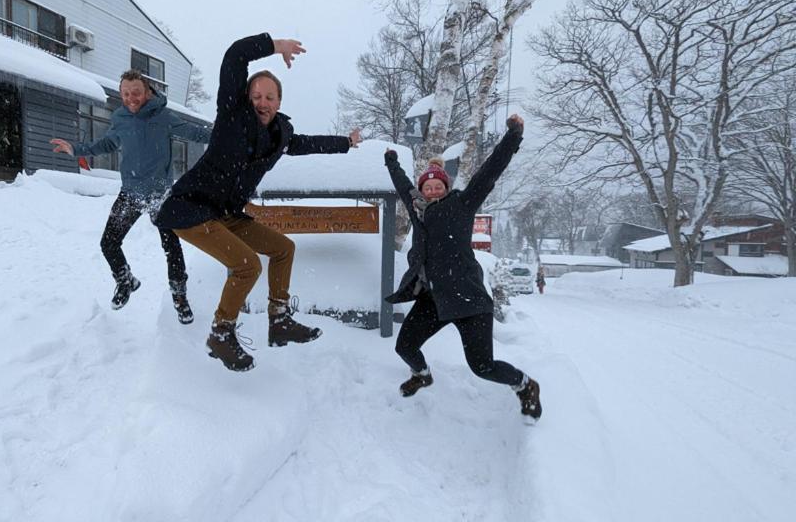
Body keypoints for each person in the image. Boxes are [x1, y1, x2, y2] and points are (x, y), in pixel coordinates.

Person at [154, 33, 361, 372]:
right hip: (190, 207)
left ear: (279, 102)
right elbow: (235, 55)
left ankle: (279, 321)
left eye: (269, 97)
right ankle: (221, 333)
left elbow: (307, 143)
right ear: (246, 98)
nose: (262, 102)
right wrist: (275, 46)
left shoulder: (281, 135)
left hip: (225, 213)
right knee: (247, 265)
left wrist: (345, 143)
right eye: (256, 96)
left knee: (283, 248)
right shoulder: (232, 115)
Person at [383, 114, 541, 420]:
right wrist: (391, 163)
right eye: (426, 186)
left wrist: (513, 137)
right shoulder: (419, 211)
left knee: (483, 367)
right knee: (405, 346)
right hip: (436, 299)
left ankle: (524, 385)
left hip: (468, 299)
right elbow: (404, 188)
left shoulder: (462, 204)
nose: (431, 190)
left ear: (445, 186)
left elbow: (489, 172)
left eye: (436, 185)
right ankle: (423, 374)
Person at [50, 70, 210, 324]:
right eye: (125, 93)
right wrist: (76, 149)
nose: (131, 98)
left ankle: (180, 297)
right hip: (131, 193)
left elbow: (197, 134)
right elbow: (106, 144)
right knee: (108, 243)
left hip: (162, 195)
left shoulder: (164, 117)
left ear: (147, 93)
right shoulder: (121, 119)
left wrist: (228, 135)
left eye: (136, 92)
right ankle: (126, 282)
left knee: (172, 248)